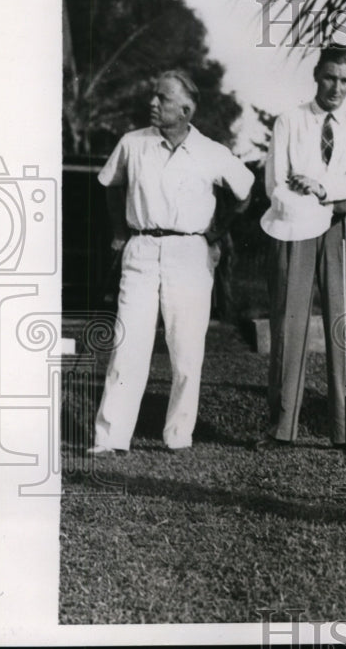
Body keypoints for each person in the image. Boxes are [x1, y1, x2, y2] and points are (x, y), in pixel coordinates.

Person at [89, 71, 254, 453]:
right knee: (127, 344)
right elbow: (110, 187)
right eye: (153, 95)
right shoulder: (132, 144)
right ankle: (110, 437)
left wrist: (215, 236)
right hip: (142, 249)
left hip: (190, 254)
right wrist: (118, 232)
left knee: (185, 349)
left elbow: (245, 193)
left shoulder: (211, 151)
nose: (152, 103)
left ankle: (178, 436)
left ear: (186, 109)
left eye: (161, 98)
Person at [256, 44, 346, 453]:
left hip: (343, 229)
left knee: (343, 328)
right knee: (289, 329)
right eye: (329, 77)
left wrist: (324, 189)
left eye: (345, 80)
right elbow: (278, 185)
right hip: (294, 227)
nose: (336, 87)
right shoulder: (290, 121)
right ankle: (281, 427)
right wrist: (331, 199)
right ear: (316, 74)